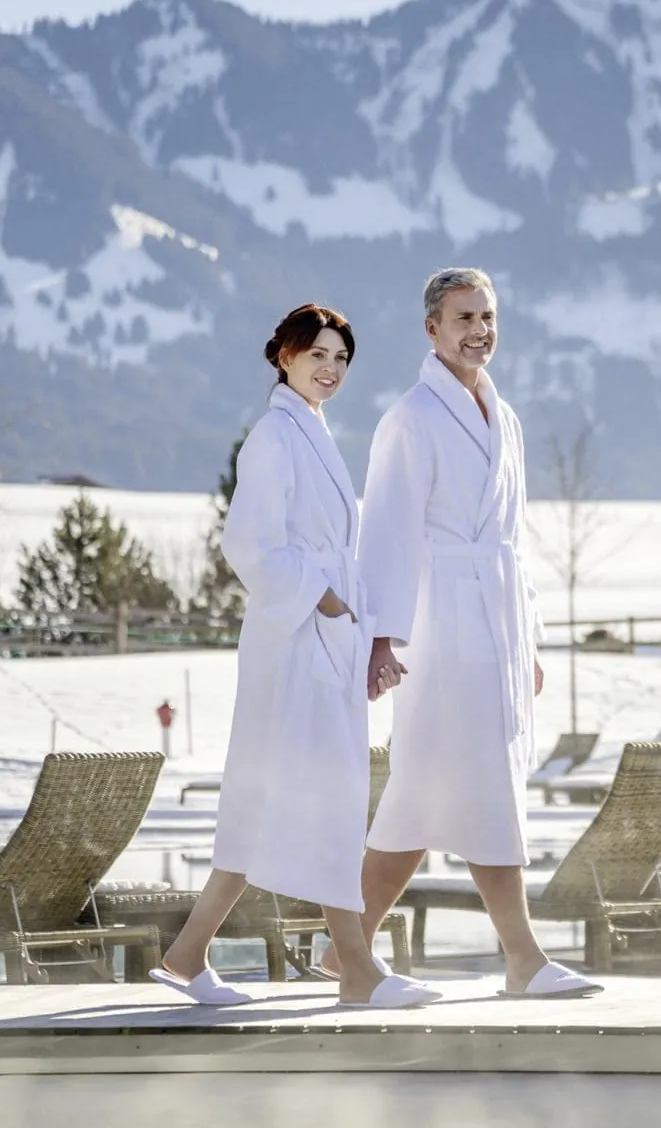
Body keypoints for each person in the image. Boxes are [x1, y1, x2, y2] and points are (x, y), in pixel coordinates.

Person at [154, 303, 439, 1009]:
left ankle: (187, 955)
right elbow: (249, 545)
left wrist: (361, 630)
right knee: (324, 799)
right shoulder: (274, 437)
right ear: (285, 354)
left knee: (270, 799)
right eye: (318, 354)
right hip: (295, 646)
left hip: (320, 644)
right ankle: (359, 970)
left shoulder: (308, 431)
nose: (331, 369)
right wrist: (326, 602)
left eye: (341, 359)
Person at [357, 268, 600, 998]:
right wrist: (381, 637)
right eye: (464, 316)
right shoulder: (411, 417)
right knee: (474, 785)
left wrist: (529, 638)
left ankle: (346, 946)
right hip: (437, 626)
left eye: (489, 316)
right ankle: (523, 957)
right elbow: (387, 533)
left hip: (494, 622)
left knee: (422, 796)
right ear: (431, 327)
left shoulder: (507, 416)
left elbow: (513, 539)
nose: (479, 330)